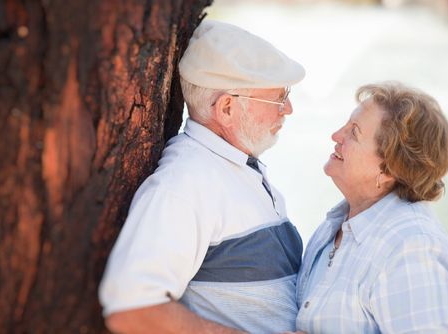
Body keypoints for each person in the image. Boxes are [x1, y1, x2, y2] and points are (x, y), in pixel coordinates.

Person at [99, 20, 305, 333]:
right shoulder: (184, 185)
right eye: (277, 97)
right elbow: (132, 308)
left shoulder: (235, 167)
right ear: (226, 109)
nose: (288, 109)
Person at [295, 82, 448, 333]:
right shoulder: (335, 226)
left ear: (389, 168)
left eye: (353, 132)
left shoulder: (412, 246)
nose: (336, 135)